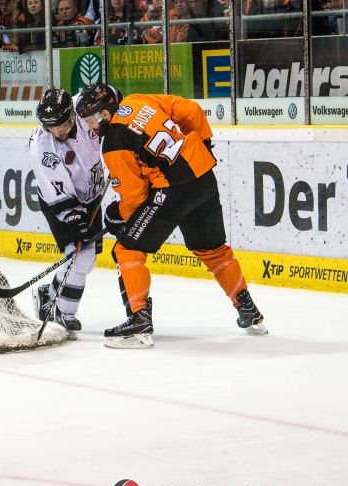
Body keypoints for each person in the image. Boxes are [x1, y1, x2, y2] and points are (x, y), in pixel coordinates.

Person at [76, 84, 268, 349]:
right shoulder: (138, 99)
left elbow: (135, 198)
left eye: (90, 120)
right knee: (212, 250)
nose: (90, 127)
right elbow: (192, 110)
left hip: (172, 190)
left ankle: (139, 322)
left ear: (104, 113)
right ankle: (248, 310)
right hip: (203, 177)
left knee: (127, 249)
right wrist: (203, 144)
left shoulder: (113, 144)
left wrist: (117, 215)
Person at [29, 89, 107, 336]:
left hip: (91, 195)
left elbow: (111, 98)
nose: (58, 131)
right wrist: (75, 218)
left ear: (72, 113)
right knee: (80, 255)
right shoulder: (43, 147)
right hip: (60, 203)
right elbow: (57, 193)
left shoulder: (84, 108)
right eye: (52, 127)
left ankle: (48, 294)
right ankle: (63, 312)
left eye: (62, 124)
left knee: (88, 260)